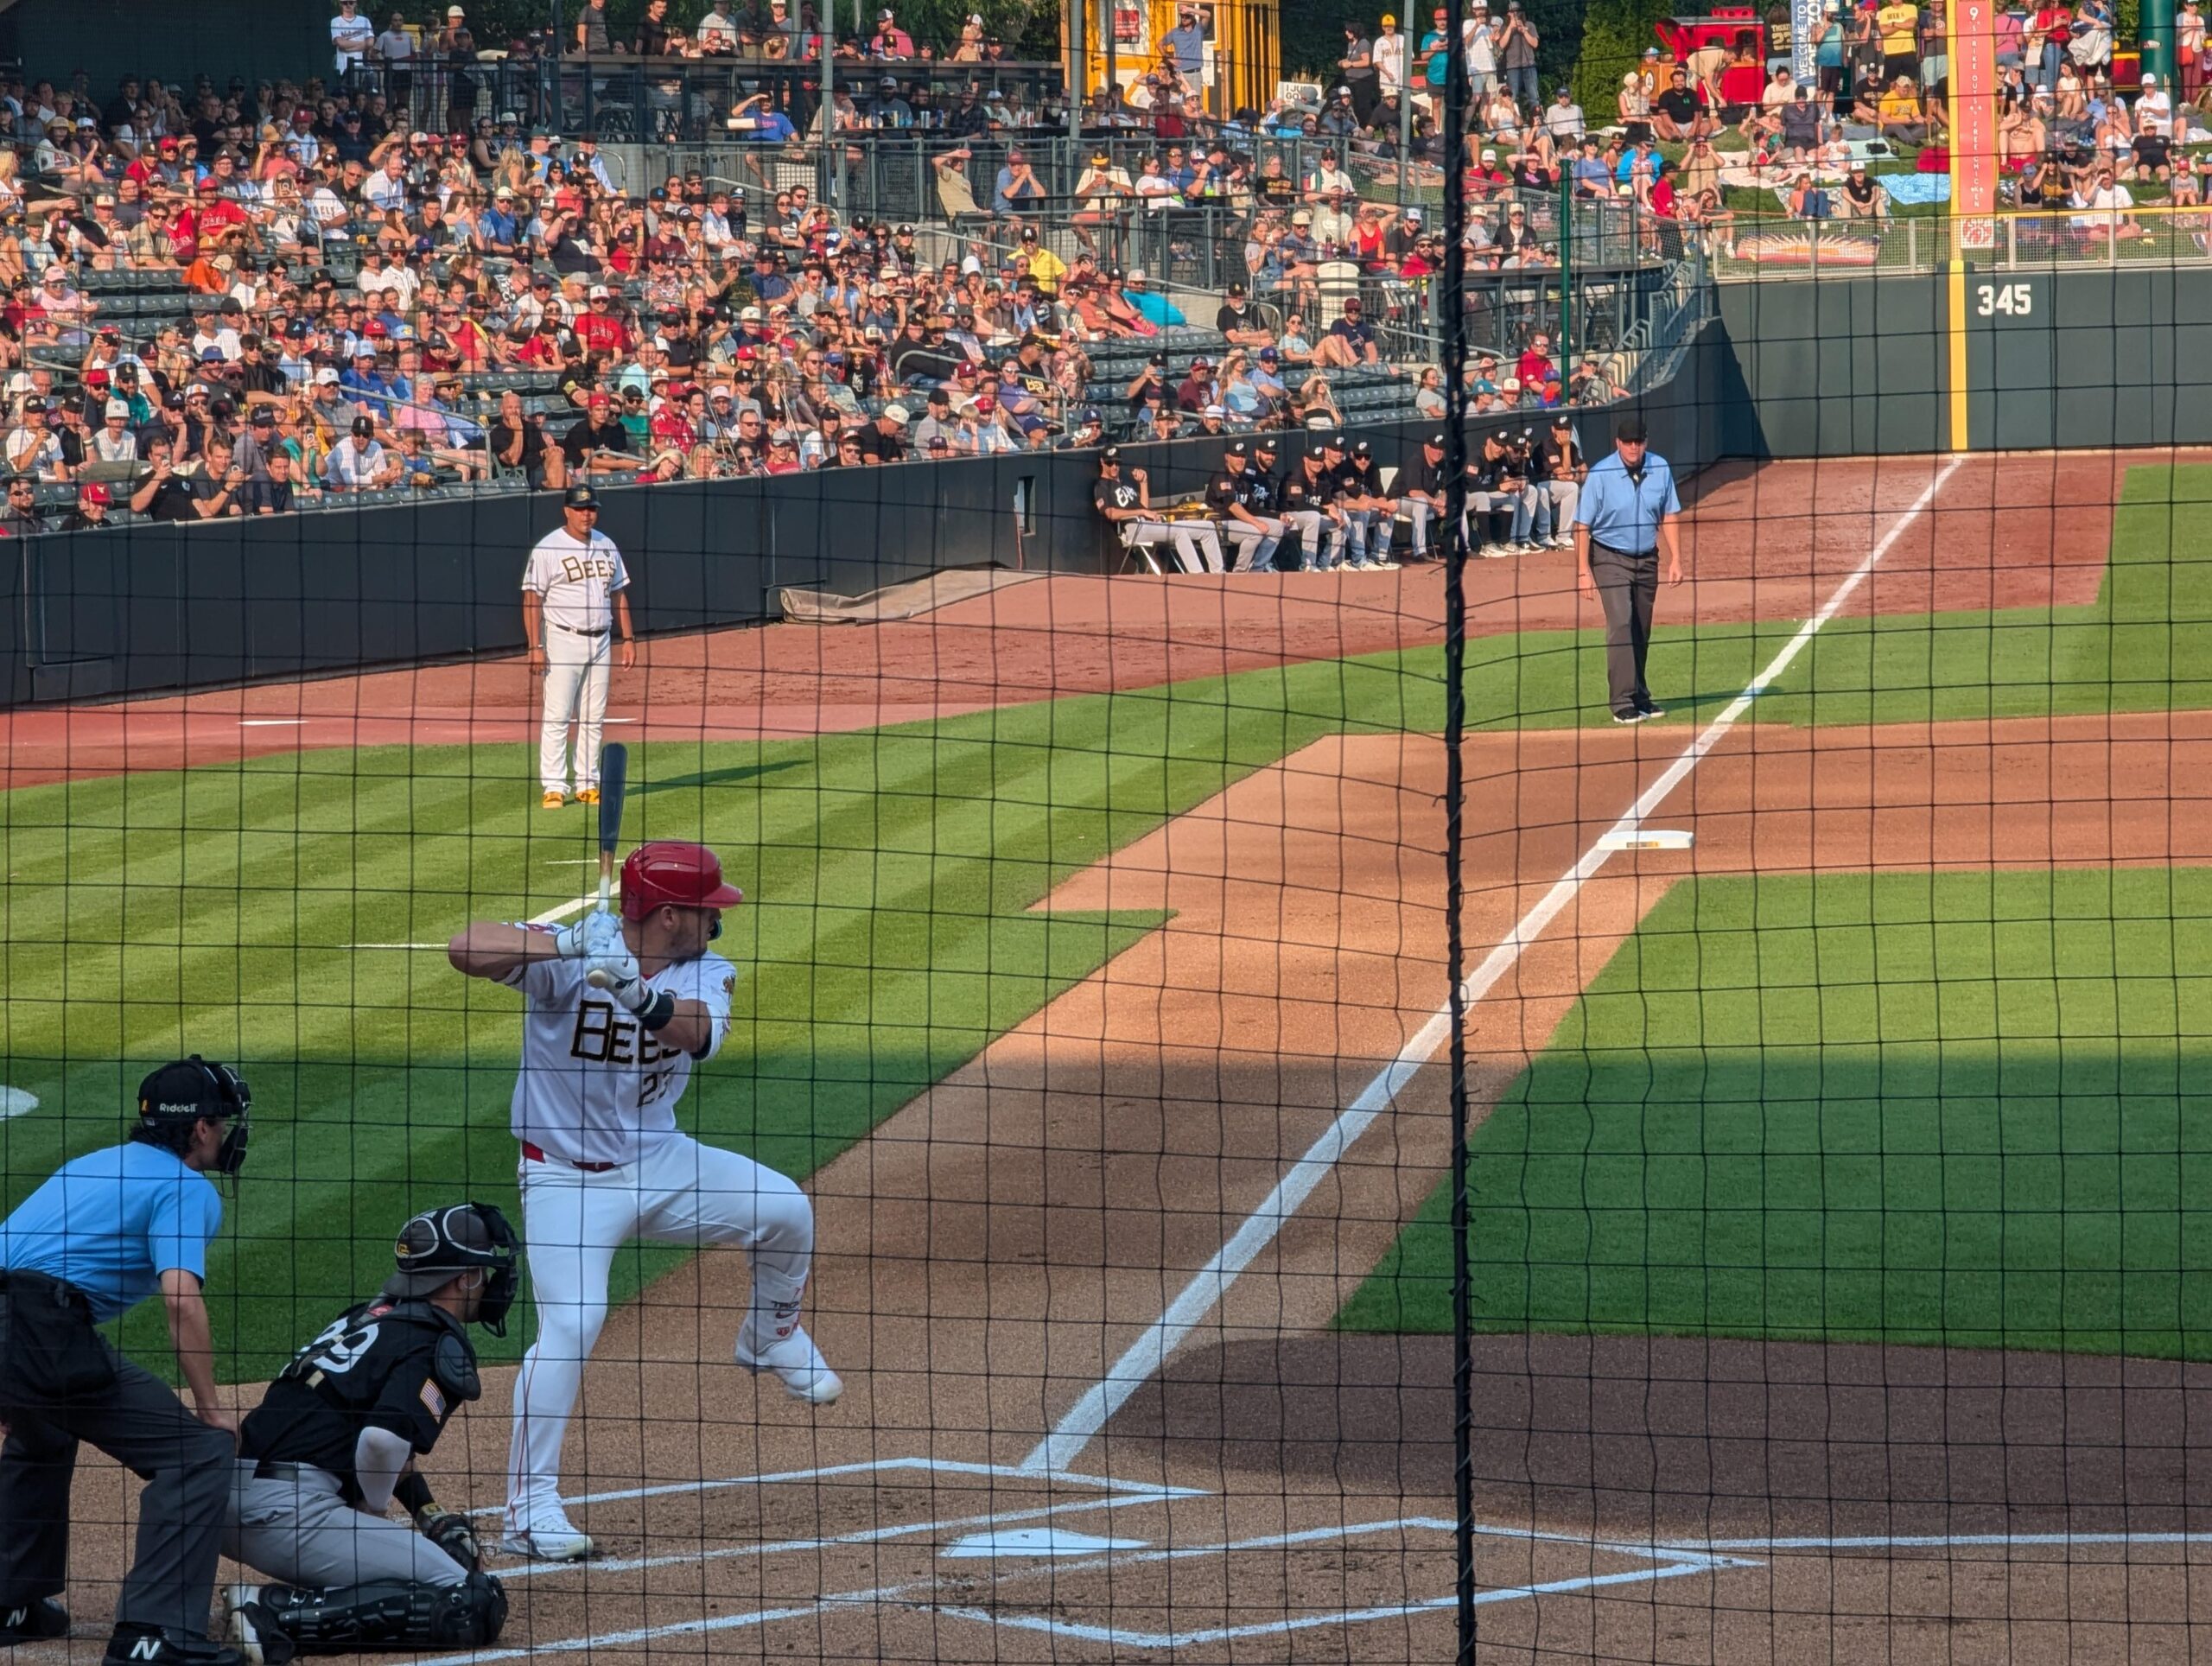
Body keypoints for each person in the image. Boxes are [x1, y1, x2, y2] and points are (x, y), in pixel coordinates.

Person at [446, 840, 839, 1563]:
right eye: (704, 909)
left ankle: (771, 1333)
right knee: (572, 1326)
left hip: (659, 1163)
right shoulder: (570, 957)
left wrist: (635, 992)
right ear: (665, 915)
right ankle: (531, 1511)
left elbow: (698, 1038)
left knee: (785, 1209)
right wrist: (561, 942)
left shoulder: (707, 969)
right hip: (563, 1178)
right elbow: (462, 948)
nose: (717, 920)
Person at [0, 1057, 254, 1666]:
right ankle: (157, 1635)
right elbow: (180, 1298)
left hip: (18, 1327)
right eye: (222, 1122)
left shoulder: (92, 1163)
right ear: (199, 1129)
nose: (228, 1133)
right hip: (40, 1331)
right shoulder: (185, 1188)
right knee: (196, 1454)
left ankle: (10, 1601)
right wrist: (211, 1409)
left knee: (45, 1430)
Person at [219, 1205, 517, 1661]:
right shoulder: (437, 1340)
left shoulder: (368, 1317)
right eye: (484, 1271)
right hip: (288, 1517)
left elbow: (364, 1424)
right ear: (466, 1278)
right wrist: (370, 1512)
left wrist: (428, 1513)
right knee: (469, 1599)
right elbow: (381, 1441)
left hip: (221, 1498)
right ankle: (272, 1612)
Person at [524, 485, 635, 811]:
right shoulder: (548, 548)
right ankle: (554, 786)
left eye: (592, 509)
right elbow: (532, 599)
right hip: (562, 638)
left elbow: (619, 594)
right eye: (580, 509)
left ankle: (587, 783)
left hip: (601, 639)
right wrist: (535, 645)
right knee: (558, 714)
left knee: (593, 716)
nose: (587, 515)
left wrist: (628, 639)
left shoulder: (606, 544)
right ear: (566, 510)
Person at [1574, 416, 1683, 724]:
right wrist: (1583, 571)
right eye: (1628, 442)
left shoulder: (1660, 468)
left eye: (1639, 442)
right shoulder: (1601, 474)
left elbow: (1670, 514)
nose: (1634, 447)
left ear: (1646, 442)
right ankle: (1621, 701)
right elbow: (1582, 526)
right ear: (1618, 443)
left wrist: (1677, 559)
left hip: (1648, 558)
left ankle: (1640, 696)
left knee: (1640, 627)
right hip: (1609, 558)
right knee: (1621, 622)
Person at [1092, 446, 1224, 574]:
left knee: (1208, 527)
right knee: (1179, 531)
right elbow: (1111, 514)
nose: (1115, 466)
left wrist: (1144, 483)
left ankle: (1219, 573)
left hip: (1149, 524)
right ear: (1102, 462)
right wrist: (1141, 512)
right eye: (1110, 463)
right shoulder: (1101, 486)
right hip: (1132, 528)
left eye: (1117, 462)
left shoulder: (1125, 482)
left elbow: (1144, 507)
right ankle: (1198, 575)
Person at [1206, 440, 1284, 573]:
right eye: (1236, 456)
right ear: (1227, 457)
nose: (1240, 460)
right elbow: (1232, 506)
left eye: (1243, 456)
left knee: (1278, 526)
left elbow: (1252, 508)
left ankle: (1257, 568)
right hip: (1221, 523)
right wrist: (1257, 522)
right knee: (1256, 532)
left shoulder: (1243, 479)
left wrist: (1278, 516)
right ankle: (1240, 571)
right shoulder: (1221, 475)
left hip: (1239, 521)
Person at [1396, 430, 1450, 562]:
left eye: (1441, 449)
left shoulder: (1442, 464)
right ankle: (1419, 551)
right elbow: (1414, 492)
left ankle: (1462, 547)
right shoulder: (1415, 461)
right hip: (1398, 501)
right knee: (1420, 502)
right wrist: (1436, 503)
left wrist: (1443, 500)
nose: (1438, 452)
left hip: (1426, 502)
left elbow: (1445, 488)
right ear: (1426, 447)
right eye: (1435, 448)